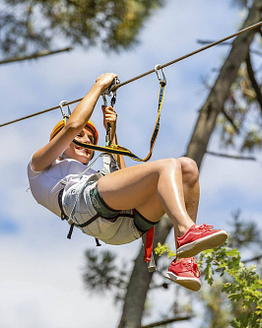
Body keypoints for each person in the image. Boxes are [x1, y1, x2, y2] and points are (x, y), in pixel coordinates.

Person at [27, 73, 228, 292]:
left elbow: (123, 180)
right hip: (89, 209)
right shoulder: (39, 167)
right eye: (82, 137)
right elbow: (74, 125)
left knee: (187, 167)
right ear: (59, 142)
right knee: (167, 166)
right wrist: (99, 85)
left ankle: (185, 262)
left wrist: (111, 132)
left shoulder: (89, 174)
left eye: (92, 140)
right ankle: (186, 229)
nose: (88, 142)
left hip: (126, 224)